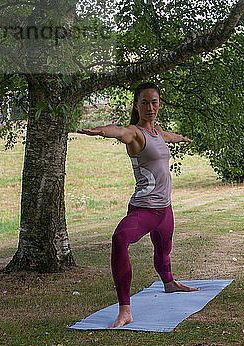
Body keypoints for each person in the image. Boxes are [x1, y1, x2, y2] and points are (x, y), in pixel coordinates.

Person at [77, 82, 198, 328]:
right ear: (136, 105)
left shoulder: (158, 133)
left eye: (154, 102)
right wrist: (101, 131)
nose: (150, 107)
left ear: (159, 104)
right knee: (120, 239)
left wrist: (182, 138)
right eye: (144, 102)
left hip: (165, 209)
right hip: (145, 209)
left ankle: (169, 283)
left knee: (164, 250)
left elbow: (167, 138)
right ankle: (125, 310)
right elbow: (119, 132)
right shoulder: (136, 133)